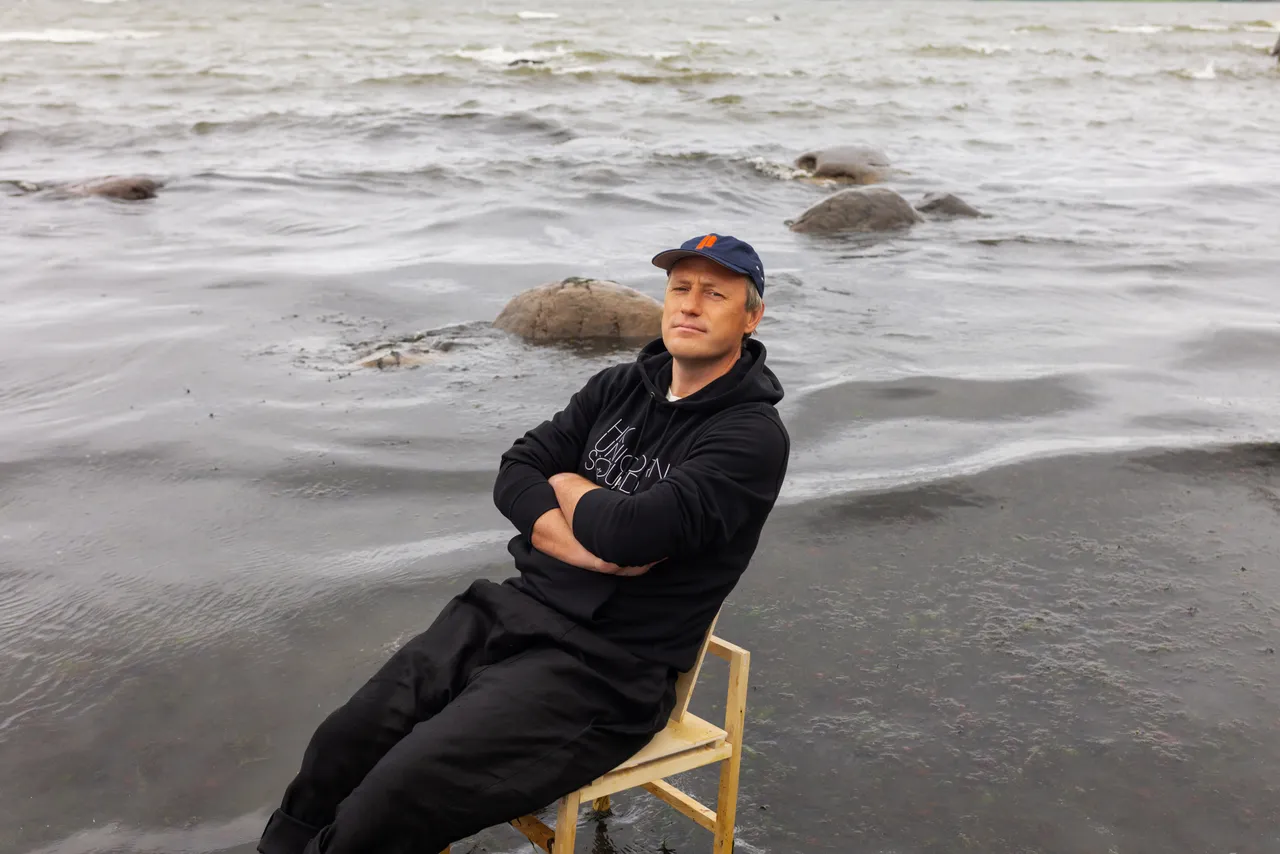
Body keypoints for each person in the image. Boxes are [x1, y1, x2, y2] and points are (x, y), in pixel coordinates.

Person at [257, 233, 791, 854]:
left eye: (714, 294)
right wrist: (584, 523)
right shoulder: (618, 387)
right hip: (510, 610)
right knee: (344, 740)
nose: (689, 306)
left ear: (751, 317)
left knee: (398, 795)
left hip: (606, 670)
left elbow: (630, 534)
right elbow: (518, 469)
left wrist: (564, 490)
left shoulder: (751, 436)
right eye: (680, 289)